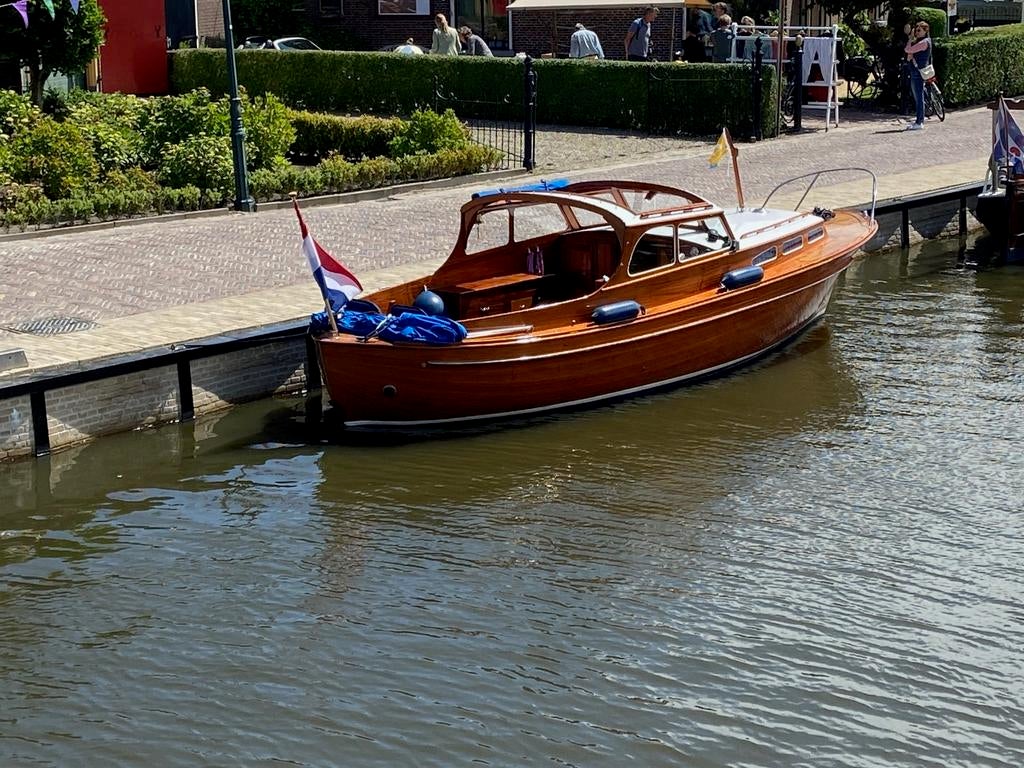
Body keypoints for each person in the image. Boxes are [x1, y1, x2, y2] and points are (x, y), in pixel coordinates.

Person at [904, 19, 931, 130]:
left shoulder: (924, 42)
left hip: (918, 72)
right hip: (916, 70)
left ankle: (919, 122)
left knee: (919, 97)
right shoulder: (922, 41)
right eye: (916, 31)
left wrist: (910, 39)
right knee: (918, 96)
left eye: (919, 30)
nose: (917, 33)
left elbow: (908, 49)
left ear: (925, 31)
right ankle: (919, 120)